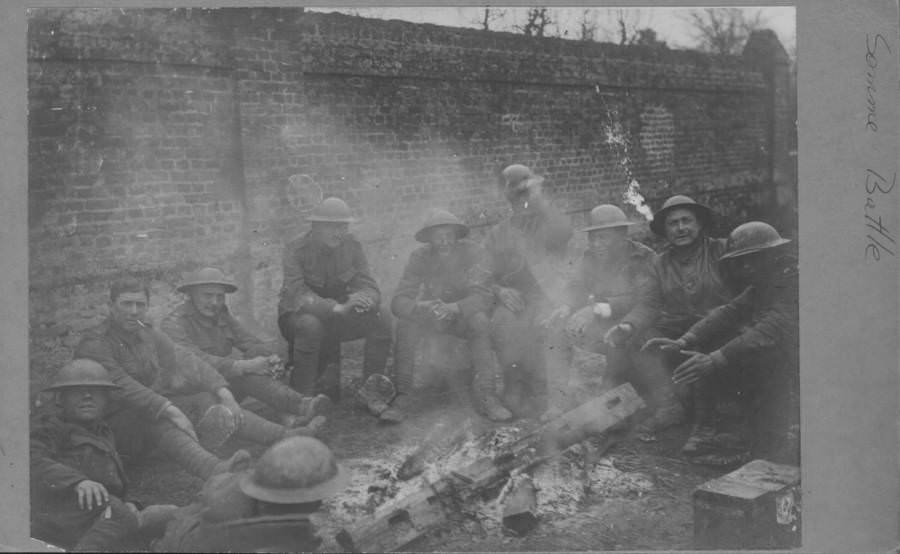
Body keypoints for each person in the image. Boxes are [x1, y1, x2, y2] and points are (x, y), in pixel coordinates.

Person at [75, 277, 315, 481]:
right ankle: (215, 470)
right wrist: (169, 409)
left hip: (147, 411)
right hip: (112, 427)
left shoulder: (146, 333)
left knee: (204, 399)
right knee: (156, 417)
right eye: (126, 304)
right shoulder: (96, 343)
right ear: (110, 306)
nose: (134, 311)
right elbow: (124, 386)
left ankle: (284, 436)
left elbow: (187, 360)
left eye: (140, 304)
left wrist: (223, 391)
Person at [644, 222, 799, 466]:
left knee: (768, 361)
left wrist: (716, 359)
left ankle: (767, 449)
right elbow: (730, 312)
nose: (746, 267)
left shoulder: (792, 280)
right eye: (742, 261)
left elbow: (771, 329)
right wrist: (684, 340)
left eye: (754, 259)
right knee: (720, 347)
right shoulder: (763, 281)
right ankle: (721, 432)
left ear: (773, 254)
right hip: (786, 352)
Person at [605, 195, 734, 440]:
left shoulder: (723, 250)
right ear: (665, 230)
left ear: (699, 224)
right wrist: (627, 325)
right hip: (678, 327)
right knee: (641, 338)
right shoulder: (659, 263)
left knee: (706, 347)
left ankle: (708, 421)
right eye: (673, 223)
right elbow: (649, 304)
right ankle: (669, 405)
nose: (681, 228)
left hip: (721, 326)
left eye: (687, 221)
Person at [30, 359, 175, 551]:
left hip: (98, 513)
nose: (87, 396)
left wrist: (126, 503)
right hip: (58, 514)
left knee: (172, 514)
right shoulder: (50, 426)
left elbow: (110, 479)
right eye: (77, 391)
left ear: (107, 398)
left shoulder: (103, 431)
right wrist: (77, 482)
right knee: (120, 514)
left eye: (96, 391)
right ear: (61, 398)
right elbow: (30, 460)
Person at [161, 267, 330, 429]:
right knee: (245, 372)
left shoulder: (221, 315)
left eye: (220, 297)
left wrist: (269, 359)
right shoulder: (174, 323)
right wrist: (245, 366)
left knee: (257, 358)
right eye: (208, 296)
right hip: (191, 394)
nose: (215, 302)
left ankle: (298, 409)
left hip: (220, 386)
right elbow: (196, 362)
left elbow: (249, 340)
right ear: (191, 295)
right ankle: (296, 410)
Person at [277, 197, 393, 411]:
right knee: (311, 325)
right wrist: (337, 307)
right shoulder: (296, 250)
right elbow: (297, 294)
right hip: (297, 317)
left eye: (343, 226)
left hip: (338, 316)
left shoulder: (352, 246)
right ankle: (300, 405)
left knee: (382, 317)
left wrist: (366, 300)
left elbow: (369, 285)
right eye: (332, 226)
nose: (338, 232)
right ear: (315, 226)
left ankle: (372, 393)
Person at [541, 204, 656, 420]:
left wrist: (595, 309)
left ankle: (616, 405)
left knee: (620, 353)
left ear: (622, 236)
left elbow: (643, 300)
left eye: (604, 238)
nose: (596, 244)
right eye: (593, 238)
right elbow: (577, 286)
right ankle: (558, 401)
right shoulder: (590, 257)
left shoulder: (643, 257)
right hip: (604, 322)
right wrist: (566, 307)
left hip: (637, 323)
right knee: (556, 331)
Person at [483, 164, 574, 420]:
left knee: (553, 324)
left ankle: (557, 398)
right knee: (502, 322)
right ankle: (515, 386)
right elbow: (481, 273)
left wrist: (539, 198)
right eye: (515, 192)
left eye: (526, 190)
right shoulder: (498, 232)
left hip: (549, 295)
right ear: (507, 196)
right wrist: (499, 291)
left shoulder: (549, 221)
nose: (521, 198)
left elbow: (564, 232)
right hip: (515, 299)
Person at [154, 436, 348, 552]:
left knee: (207, 498)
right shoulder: (232, 521)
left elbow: (293, 527)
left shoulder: (265, 492)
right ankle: (147, 517)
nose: (319, 502)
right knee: (181, 518)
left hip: (217, 498)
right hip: (184, 539)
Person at [391, 209, 495, 421]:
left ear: (457, 236)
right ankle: (403, 396)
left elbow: (484, 296)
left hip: (462, 316)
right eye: (438, 237)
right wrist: (421, 306)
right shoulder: (419, 257)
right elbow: (399, 300)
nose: (445, 242)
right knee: (405, 325)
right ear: (429, 239)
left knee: (480, 321)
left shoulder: (473, 252)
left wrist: (456, 307)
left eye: (449, 236)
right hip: (432, 316)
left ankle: (488, 395)